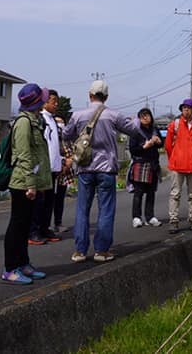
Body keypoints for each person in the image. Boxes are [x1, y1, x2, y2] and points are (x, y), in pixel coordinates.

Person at [62, 79, 143, 263]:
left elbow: (66, 134)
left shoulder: (78, 115)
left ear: (90, 95)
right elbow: (134, 130)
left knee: (82, 209)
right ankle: (101, 251)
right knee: (106, 209)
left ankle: (80, 251)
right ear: (106, 97)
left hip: (84, 167)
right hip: (106, 168)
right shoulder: (113, 115)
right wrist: (136, 119)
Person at [2, 83, 53, 284]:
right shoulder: (24, 122)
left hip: (30, 183)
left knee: (24, 227)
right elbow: (24, 155)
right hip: (22, 184)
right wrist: (31, 185)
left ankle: (23, 264)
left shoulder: (34, 120)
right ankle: (10, 268)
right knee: (17, 225)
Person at [164, 98, 192, 234]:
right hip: (177, 166)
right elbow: (168, 145)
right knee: (175, 194)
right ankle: (174, 221)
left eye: (188, 107)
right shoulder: (174, 124)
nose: (186, 109)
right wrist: (174, 158)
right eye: (184, 107)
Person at [29, 89, 64, 244]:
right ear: (44, 102)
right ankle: (34, 231)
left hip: (53, 168)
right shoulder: (40, 119)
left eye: (57, 102)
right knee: (39, 202)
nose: (56, 104)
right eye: (53, 101)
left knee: (49, 201)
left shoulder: (53, 120)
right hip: (43, 168)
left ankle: (45, 228)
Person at [128, 107, 163, 228]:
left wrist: (158, 141)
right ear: (139, 118)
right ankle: (136, 217)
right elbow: (133, 150)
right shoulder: (135, 131)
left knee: (151, 192)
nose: (145, 118)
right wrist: (144, 147)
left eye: (147, 115)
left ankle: (150, 216)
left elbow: (161, 144)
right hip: (140, 164)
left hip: (153, 164)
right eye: (142, 116)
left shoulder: (154, 129)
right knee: (138, 192)